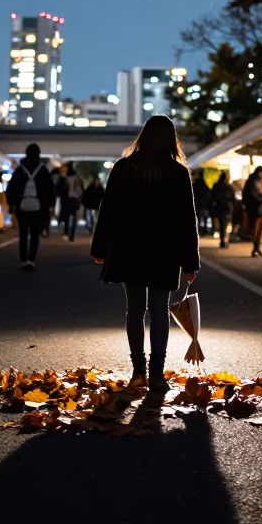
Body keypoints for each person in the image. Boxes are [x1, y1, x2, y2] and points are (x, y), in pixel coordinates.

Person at [91, 115, 199, 391]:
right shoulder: (177, 172)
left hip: (130, 247)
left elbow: (108, 210)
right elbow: (188, 219)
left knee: (135, 309)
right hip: (164, 250)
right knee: (159, 310)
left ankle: (138, 370)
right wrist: (190, 261)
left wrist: (100, 247)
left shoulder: (124, 168)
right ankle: (157, 374)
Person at [6, 143, 55, 270]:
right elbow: (50, 189)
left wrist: (11, 204)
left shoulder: (20, 169)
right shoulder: (43, 170)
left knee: (23, 233)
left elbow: (12, 188)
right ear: (38, 154)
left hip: (21, 205)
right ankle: (31, 260)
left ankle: (23, 259)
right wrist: (50, 205)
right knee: (35, 233)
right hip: (38, 207)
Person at [242, 164, 262, 257]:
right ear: (259, 173)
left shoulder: (260, 181)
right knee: (256, 229)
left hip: (261, 209)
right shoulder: (252, 182)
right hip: (255, 209)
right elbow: (254, 197)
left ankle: (257, 248)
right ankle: (256, 248)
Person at [210, 170, 235, 248]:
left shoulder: (216, 185)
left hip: (219, 208)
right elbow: (232, 197)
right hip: (226, 208)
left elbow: (212, 196)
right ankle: (223, 240)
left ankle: (222, 240)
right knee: (225, 225)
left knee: (222, 225)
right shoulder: (228, 186)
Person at [62, 162, 84, 240]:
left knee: (67, 217)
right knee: (74, 217)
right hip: (75, 199)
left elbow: (62, 189)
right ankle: (72, 235)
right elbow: (81, 190)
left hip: (67, 199)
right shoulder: (77, 178)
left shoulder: (65, 178)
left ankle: (66, 232)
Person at [192, 171, 212, 235]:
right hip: (203, 204)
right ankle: (204, 230)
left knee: (198, 218)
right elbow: (208, 193)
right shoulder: (204, 184)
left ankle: (199, 230)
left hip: (197, 204)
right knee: (204, 217)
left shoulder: (195, 185)